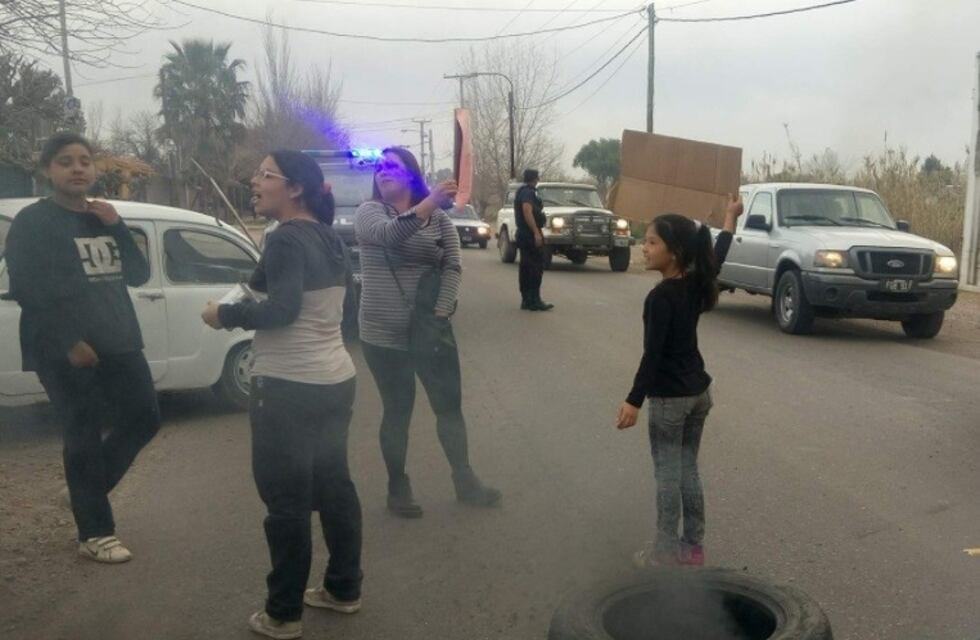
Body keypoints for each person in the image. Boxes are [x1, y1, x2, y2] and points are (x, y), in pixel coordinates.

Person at [202, 150, 362, 640]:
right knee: (334, 487)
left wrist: (223, 317)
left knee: (287, 501)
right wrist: (237, 297)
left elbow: (284, 310)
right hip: (335, 379)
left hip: (289, 387)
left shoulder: (285, 238)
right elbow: (262, 288)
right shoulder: (325, 235)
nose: (255, 180)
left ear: (294, 188)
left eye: (265, 174)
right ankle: (342, 589)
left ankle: (283, 613)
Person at [5, 132, 159, 564]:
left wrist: (117, 226)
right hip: (63, 346)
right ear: (46, 171)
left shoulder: (102, 217)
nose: (77, 168)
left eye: (85, 161)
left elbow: (137, 273)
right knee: (84, 432)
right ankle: (95, 531)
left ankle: (84, 491)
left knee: (146, 416)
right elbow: (27, 288)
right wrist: (68, 341)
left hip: (118, 339)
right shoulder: (34, 223)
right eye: (65, 161)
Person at [354, 147, 501, 519]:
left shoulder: (440, 223)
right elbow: (390, 236)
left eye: (393, 166)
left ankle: (465, 479)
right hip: (383, 336)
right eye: (380, 167)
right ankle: (397, 485)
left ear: (411, 175)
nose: (383, 171)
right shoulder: (369, 213)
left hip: (430, 332)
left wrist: (440, 311)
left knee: (448, 407)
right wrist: (429, 204)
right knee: (398, 409)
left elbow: (452, 266)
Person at [615, 196, 744, 568]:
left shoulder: (660, 298)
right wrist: (729, 218)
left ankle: (664, 552)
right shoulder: (696, 281)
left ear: (673, 252)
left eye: (653, 241)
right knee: (688, 469)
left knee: (668, 476)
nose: (645, 246)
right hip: (699, 394)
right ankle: (693, 547)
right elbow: (717, 251)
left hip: (671, 400)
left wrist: (633, 401)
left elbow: (651, 357)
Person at [514, 169, 553, 312]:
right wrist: (536, 232)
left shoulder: (523, 191)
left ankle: (527, 300)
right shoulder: (528, 192)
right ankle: (533, 300)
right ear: (535, 178)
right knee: (535, 268)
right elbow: (526, 210)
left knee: (526, 267)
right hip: (529, 235)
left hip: (525, 234)